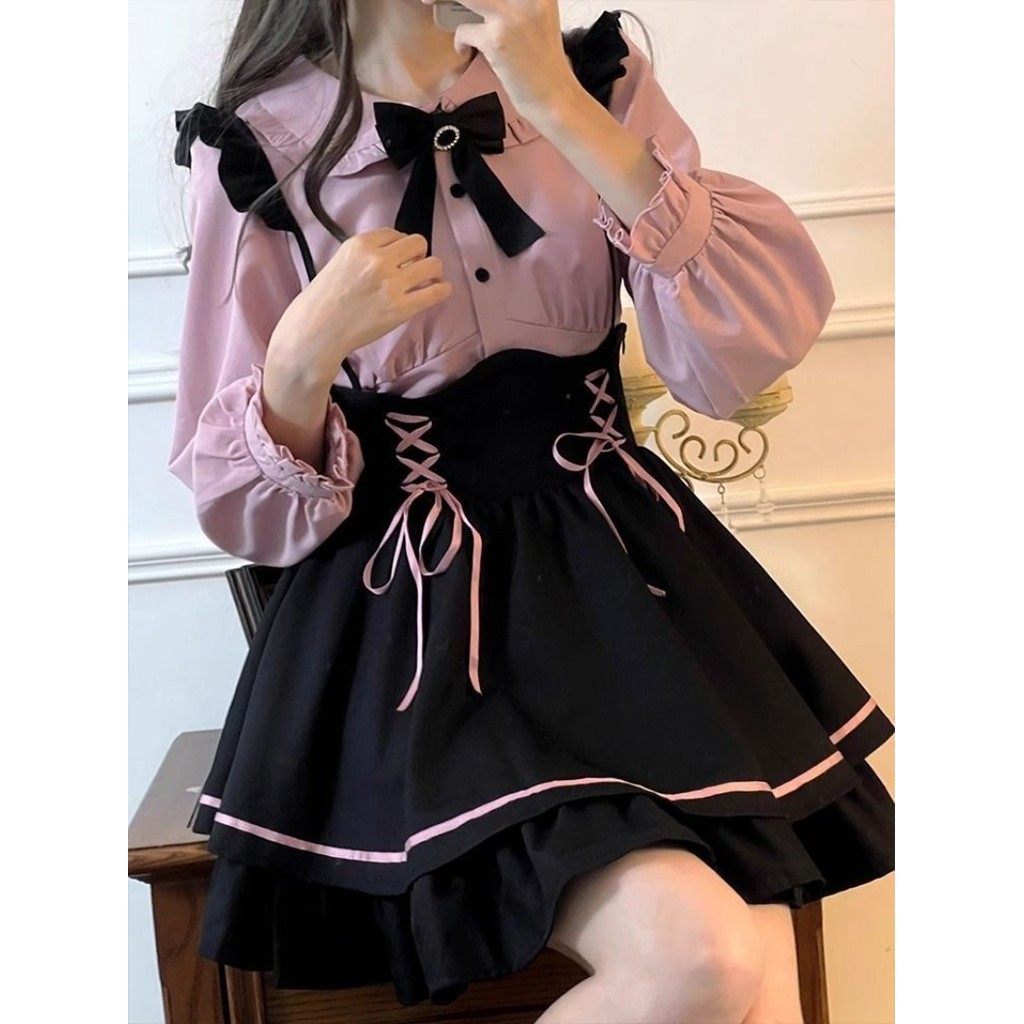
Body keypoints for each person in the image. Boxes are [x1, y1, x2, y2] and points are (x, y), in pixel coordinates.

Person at [168, 1, 895, 1020]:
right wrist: (302, 352)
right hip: (421, 628)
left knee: (762, 978)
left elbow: (737, 353)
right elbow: (240, 507)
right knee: (706, 962)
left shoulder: (595, 83)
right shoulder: (259, 146)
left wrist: (555, 98)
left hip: (631, 591)